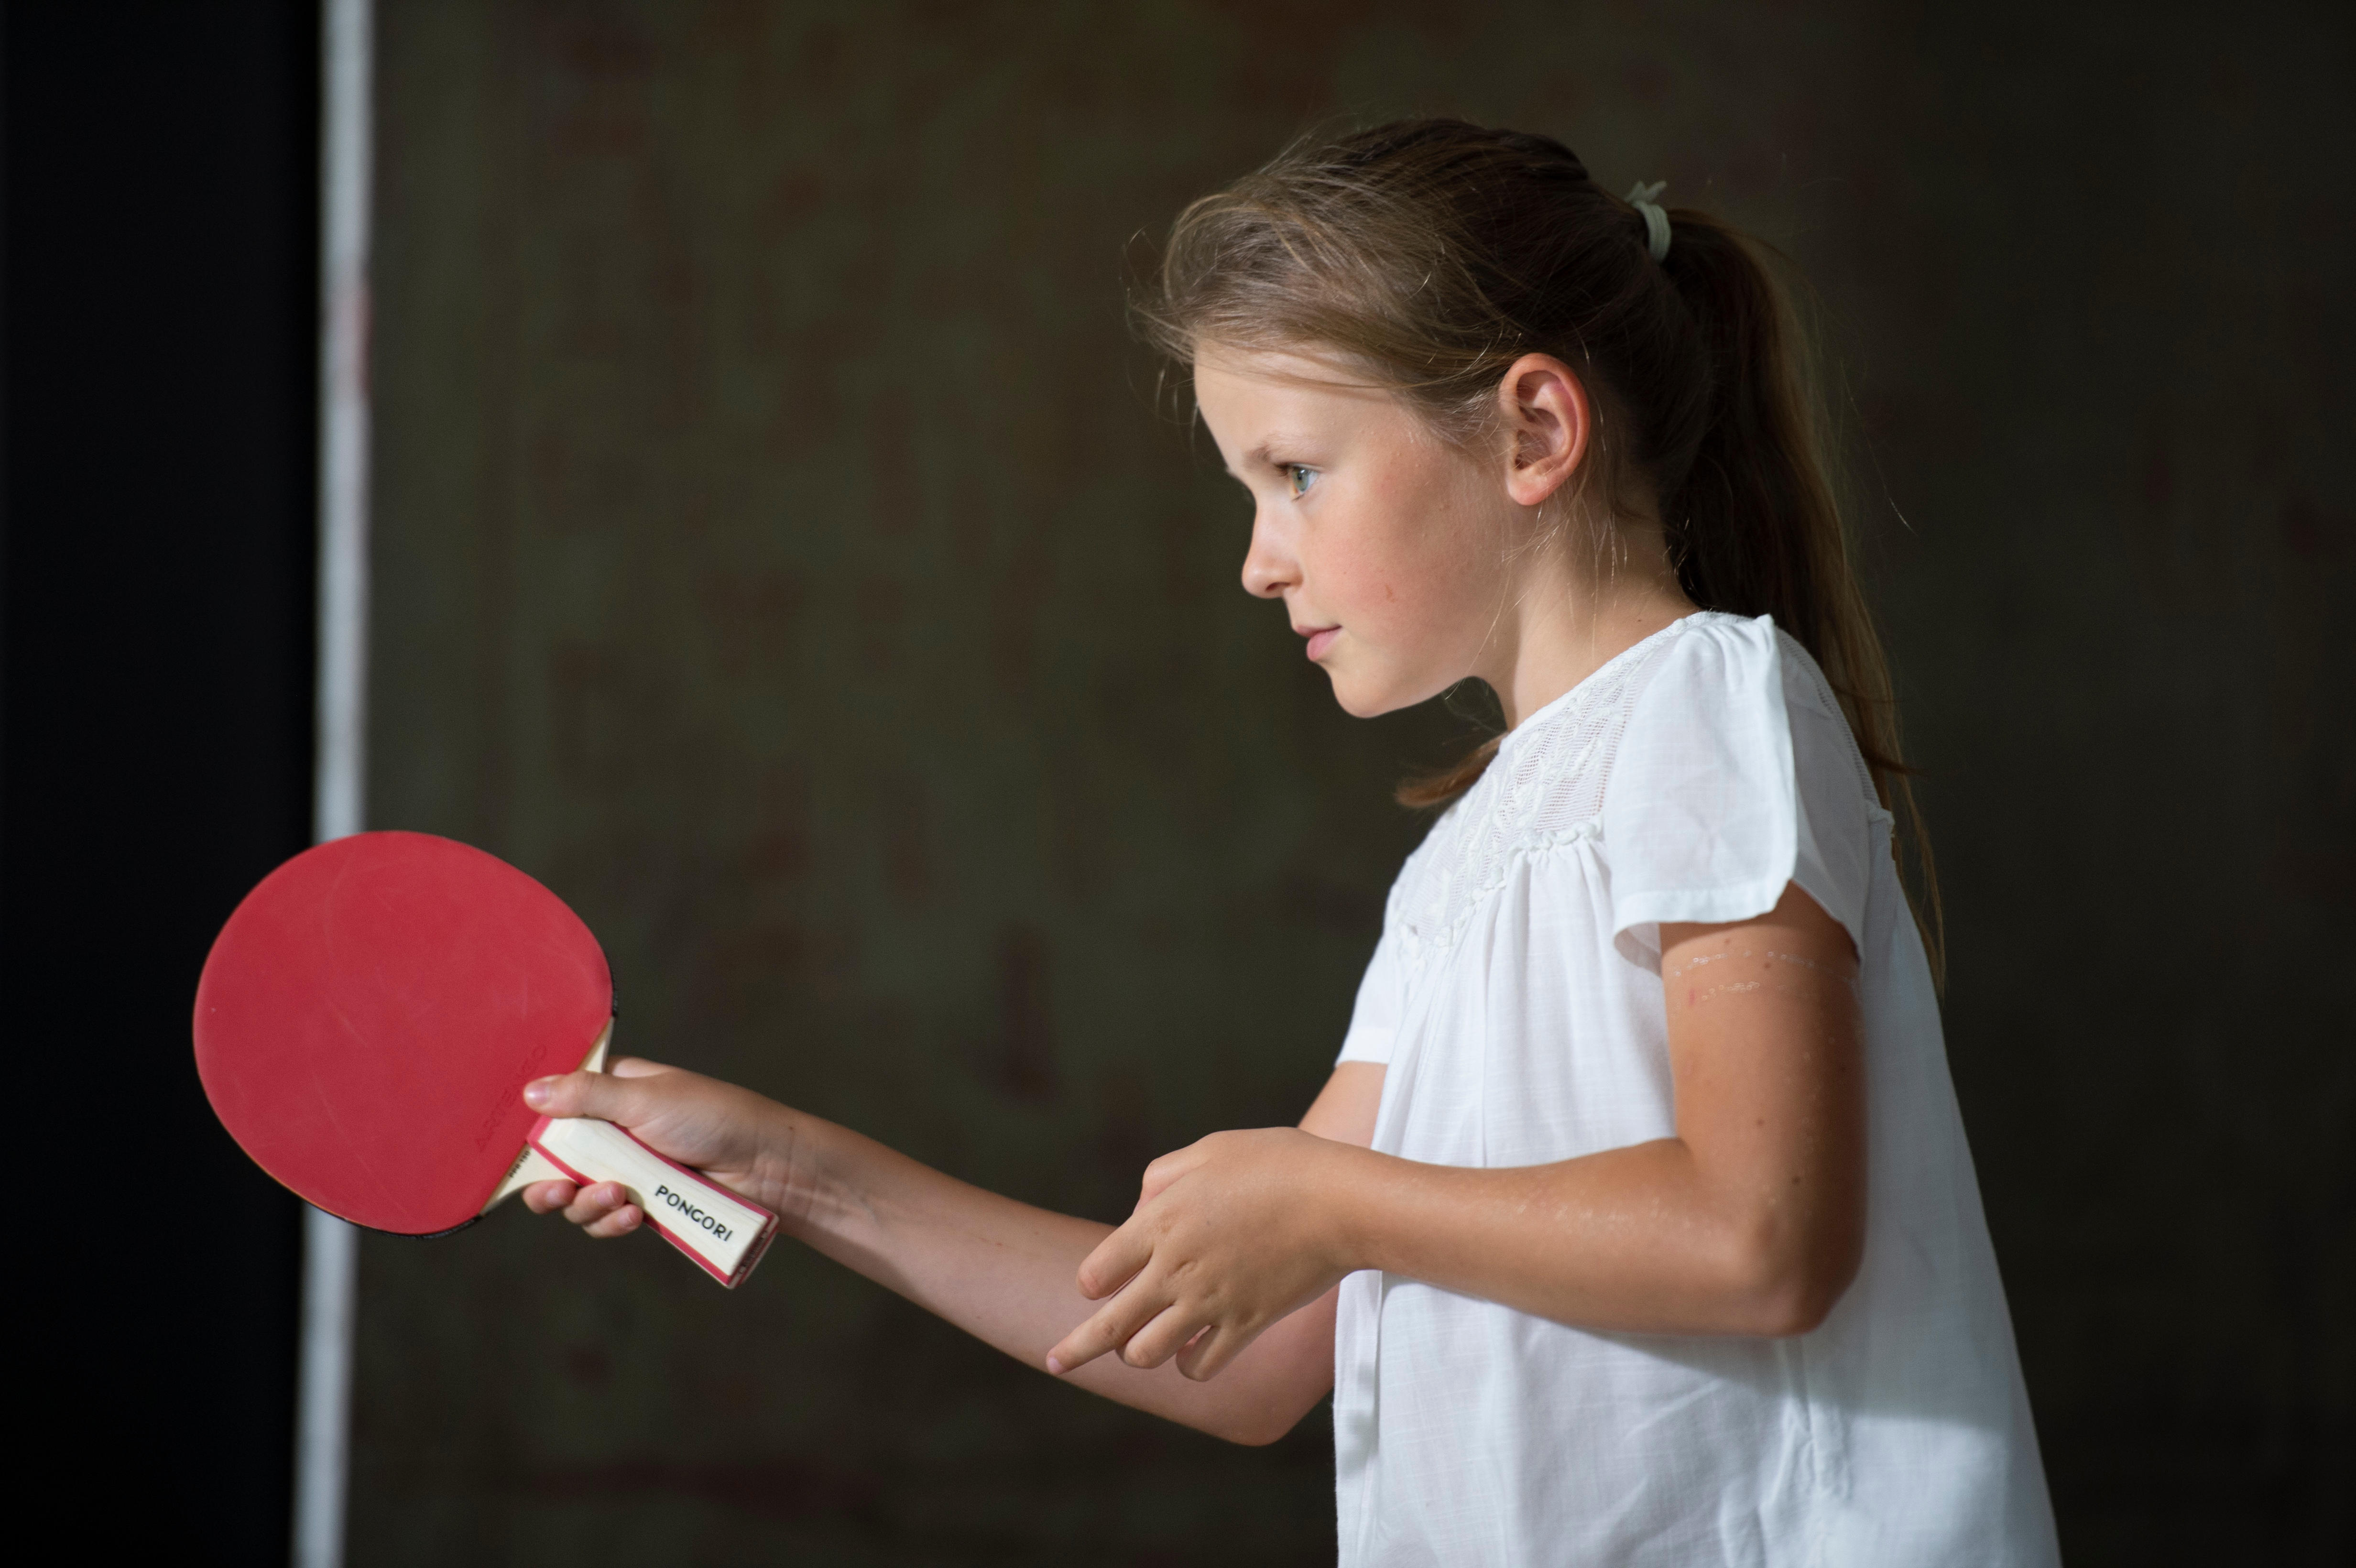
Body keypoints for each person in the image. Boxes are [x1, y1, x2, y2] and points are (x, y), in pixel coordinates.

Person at [520, 120, 2060, 1566]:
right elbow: (1249, 1356)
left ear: (1533, 428)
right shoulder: (1462, 868)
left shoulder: (1707, 705)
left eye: (1298, 473)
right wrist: (786, 1166)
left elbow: (1762, 1235)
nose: (1260, 562)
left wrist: (1331, 1201)